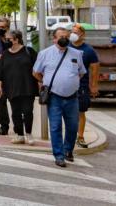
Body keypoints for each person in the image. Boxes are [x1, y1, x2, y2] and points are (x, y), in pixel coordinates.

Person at [33, 27, 87, 167]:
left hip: (72, 97)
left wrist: (70, 82)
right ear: (55, 39)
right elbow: (36, 72)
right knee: (55, 126)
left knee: (72, 126)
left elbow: (81, 72)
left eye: (67, 36)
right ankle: (59, 155)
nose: (64, 39)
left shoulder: (77, 53)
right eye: (61, 36)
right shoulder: (45, 54)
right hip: (54, 97)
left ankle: (68, 150)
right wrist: (44, 82)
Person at [0, 29, 39, 145]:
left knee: (28, 111)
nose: (6, 41)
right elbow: (0, 71)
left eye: (8, 39)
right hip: (11, 88)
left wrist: (41, 82)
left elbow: (38, 68)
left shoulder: (29, 51)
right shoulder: (4, 54)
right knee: (15, 112)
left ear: (16, 40)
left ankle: (28, 134)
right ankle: (20, 135)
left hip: (28, 87)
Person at [69, 24, 100, 148]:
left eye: (76, 32)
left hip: (82, 86)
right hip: (68, 85)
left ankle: (80, 136)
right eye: (72, 31)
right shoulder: (66, 47)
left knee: (80, 112)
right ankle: (69, 136)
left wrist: (94, 85)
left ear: (83, 35)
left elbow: (95, 68)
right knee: (68, 112)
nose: (73, 34)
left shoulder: (88, 50)